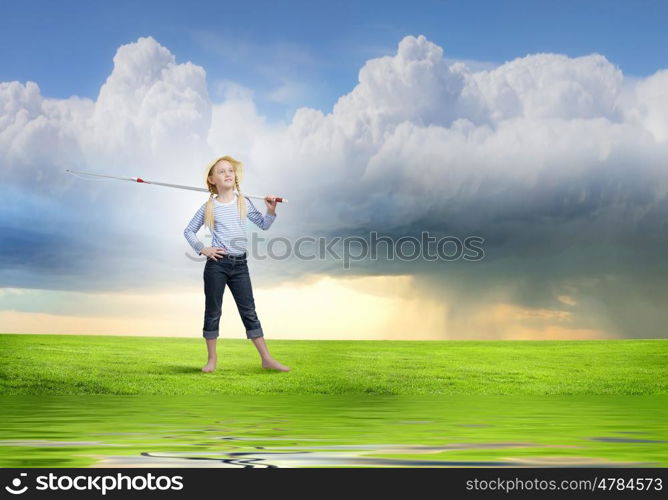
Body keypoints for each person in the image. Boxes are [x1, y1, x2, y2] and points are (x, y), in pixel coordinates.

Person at [183, 155, 290, 373]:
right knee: (213, 312)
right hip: (217, 266)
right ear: (212, 179)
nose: (228, 174)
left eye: (230, 170)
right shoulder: (209, 207)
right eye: (221, 171)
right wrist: (202, 248)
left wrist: (270, 210)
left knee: (249, 311)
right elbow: (188, 231)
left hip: (240, 266)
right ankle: (212, 360)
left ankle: (266, 359)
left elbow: (263, 224)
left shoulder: (244, 202)